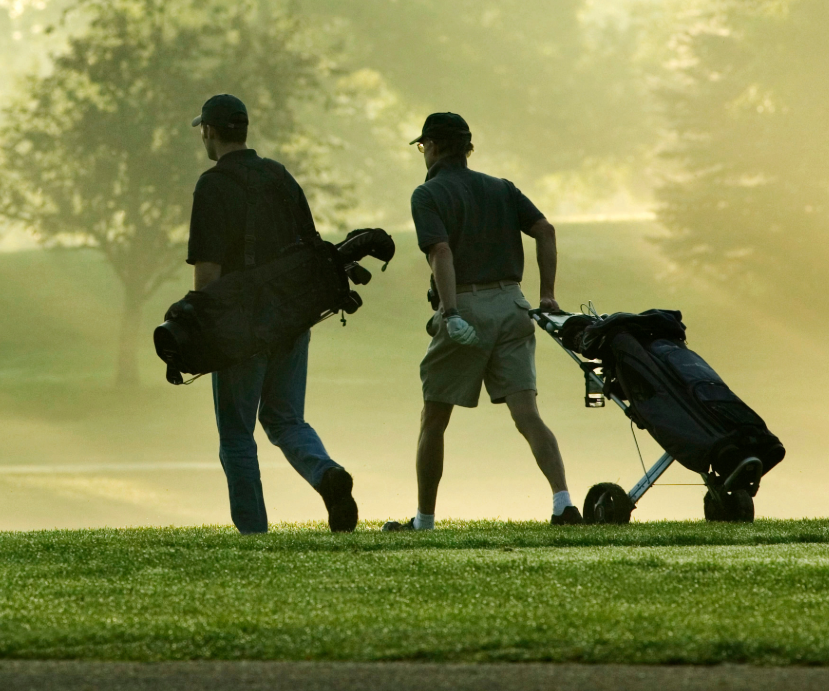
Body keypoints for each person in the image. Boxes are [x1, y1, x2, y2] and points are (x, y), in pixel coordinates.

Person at [384, 111, 580, 530]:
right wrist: (546, 295)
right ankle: (564, 504)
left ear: (432, 147)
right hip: (514, 306)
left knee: (434, 418)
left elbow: (440, 253)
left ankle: (424, 521)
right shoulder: (502, 189)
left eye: (422, 146)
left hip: (466, 308)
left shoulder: (428, 194)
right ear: (467, 148)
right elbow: (544, 229)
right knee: (527, 414)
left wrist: (451, 312)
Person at [186, 93, 358, 534]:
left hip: (241, 327)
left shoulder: (212, 185)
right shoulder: (280, 176)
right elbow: (310, 248)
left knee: (237, 437)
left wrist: (201, 330)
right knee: (285, 418)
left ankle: (253, 535)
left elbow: (207, 275)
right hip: (293, 317)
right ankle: (328, 475)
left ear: (208, 130)